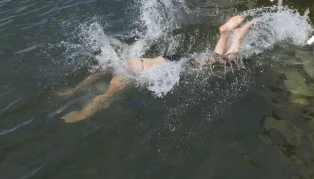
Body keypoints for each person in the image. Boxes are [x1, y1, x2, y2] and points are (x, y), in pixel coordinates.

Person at [60, 15, 255, 123]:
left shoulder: (120, 79)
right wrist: (74, 90)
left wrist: (82, 114)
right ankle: (225, 35)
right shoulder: (123, 61)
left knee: (223, 68)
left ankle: (237, 36)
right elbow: (93, 75)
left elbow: (101, 98)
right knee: (213, 62)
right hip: (168, 59)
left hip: (173, 66)